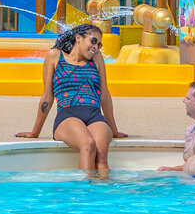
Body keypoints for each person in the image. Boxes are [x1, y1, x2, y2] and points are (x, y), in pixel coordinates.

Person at [15, 23, 126, 178]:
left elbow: (104, 95)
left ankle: (103, 196)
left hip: (95, 115)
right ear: (78, 38)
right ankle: (83, 195)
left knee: (101, 154)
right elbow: (47, 96)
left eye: (99, 44)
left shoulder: (97, 58)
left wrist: (113, 130)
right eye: (93, 41)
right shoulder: (55, 56)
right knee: (88, 145)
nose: (96, 47)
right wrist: (35, 132)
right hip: (67, 116)